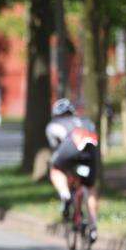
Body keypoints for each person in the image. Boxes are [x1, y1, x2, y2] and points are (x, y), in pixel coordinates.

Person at [45, 98, 101, 241]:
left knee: (55, 169)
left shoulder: (54, 124)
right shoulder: (86, 121)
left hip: (70, 146)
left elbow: (56, 148)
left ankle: (65, 195)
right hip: (90, 150)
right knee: (90, 186)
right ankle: (93, 225)